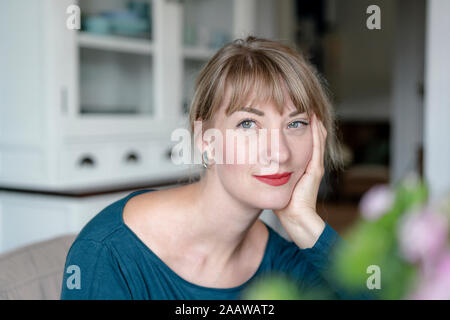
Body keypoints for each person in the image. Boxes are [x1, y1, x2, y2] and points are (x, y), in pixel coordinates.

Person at [60, 36, 369, 299]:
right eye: (248, 124)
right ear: (205, 139)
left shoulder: (286, 263)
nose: (279, 152)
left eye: (296, 123)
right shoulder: (108, 252)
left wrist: (304, 221)